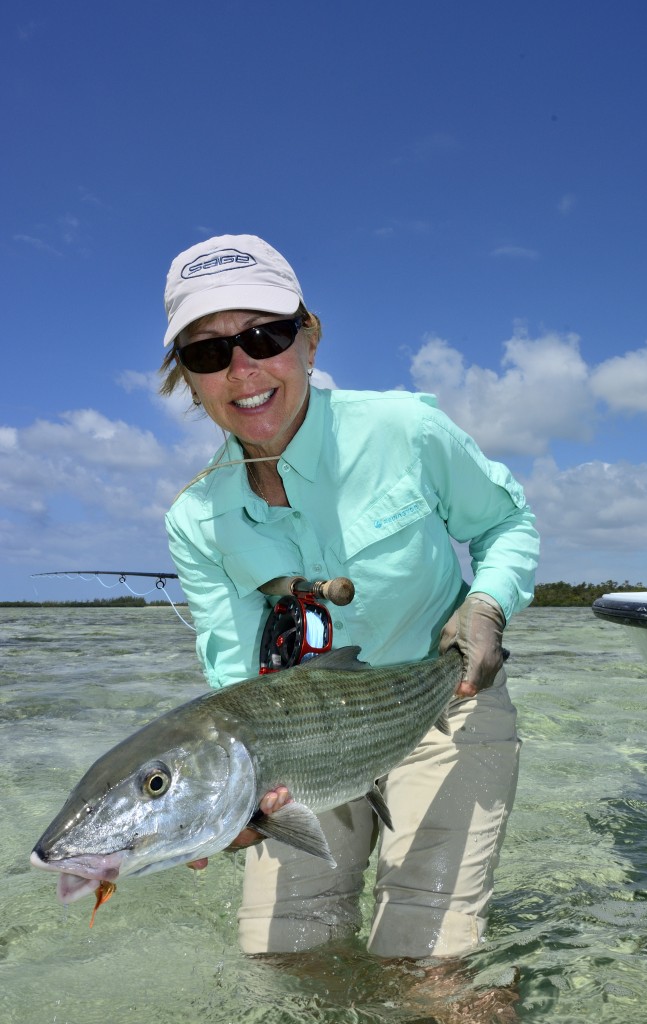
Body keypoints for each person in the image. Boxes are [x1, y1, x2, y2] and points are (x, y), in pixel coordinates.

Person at [159, 233, 540, 961]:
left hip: (442, 699)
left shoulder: (405, 430)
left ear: (309, 338)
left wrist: (486, 605)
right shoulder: (194, 518)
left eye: (264, 335)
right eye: (207, 352)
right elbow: (237, 684)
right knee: (282, 964)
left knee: (427, 962)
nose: (241, 369)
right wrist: (232, 800)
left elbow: (505, 523)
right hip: (299, 739)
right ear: (187, 376)